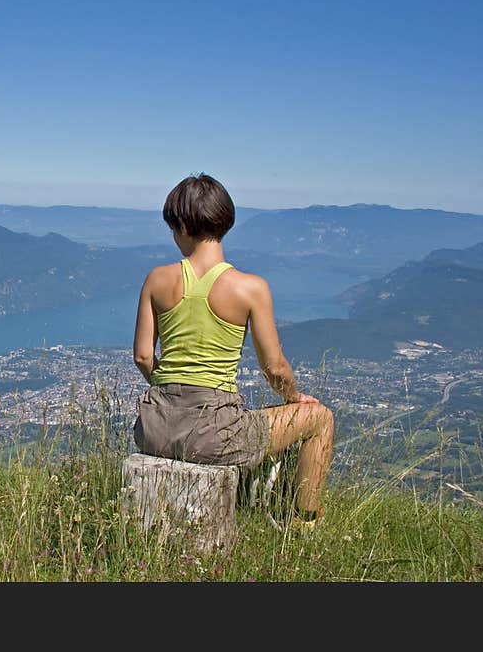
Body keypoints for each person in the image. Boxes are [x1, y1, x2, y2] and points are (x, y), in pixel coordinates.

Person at [132, 173, 333, 528]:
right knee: (320, 420)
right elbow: (275, 368)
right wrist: (296, 397)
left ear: (182, 225)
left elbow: (144, 357)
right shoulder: (250, 288)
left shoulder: (156, 279)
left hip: (154, 429)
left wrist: (167, 388)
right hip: (215, 433)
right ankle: (304, 523)